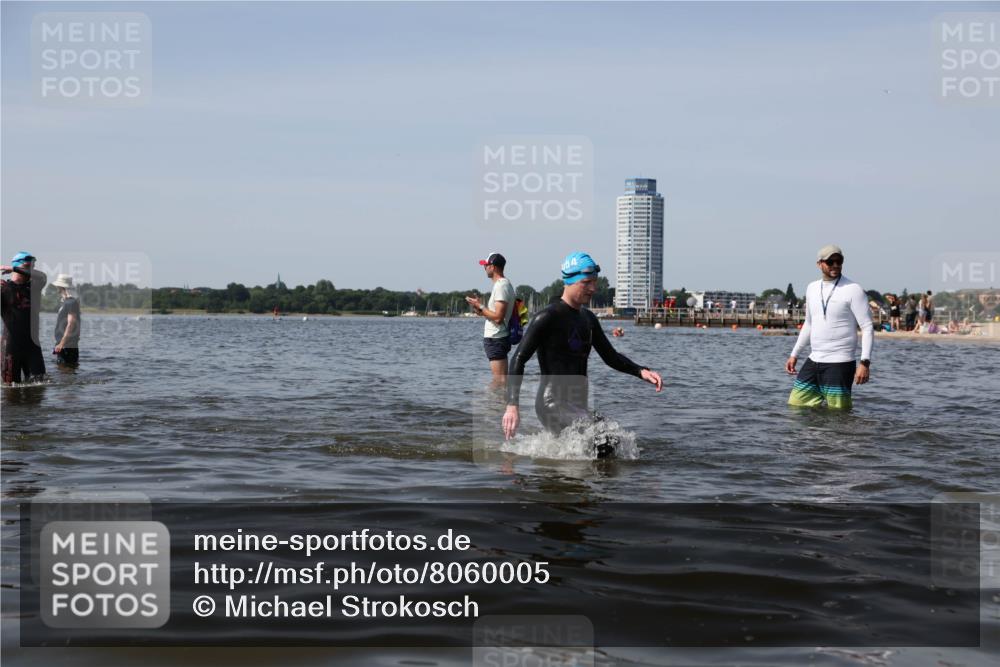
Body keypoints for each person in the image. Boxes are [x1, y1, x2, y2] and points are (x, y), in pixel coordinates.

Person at [502, 252, 662, 458]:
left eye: (594, 282)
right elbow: (519, 358)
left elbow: (610, 356)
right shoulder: (547, 317)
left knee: (613, 440)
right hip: (552, 403)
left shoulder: (588, 319)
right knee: (604, 441)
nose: (593, 288)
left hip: (578, 404)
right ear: (569, 281)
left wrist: (641, 371)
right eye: (586, 283)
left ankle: (559, 474)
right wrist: (512, 405)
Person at [785, 245, 873, 410]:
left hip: (840, 363)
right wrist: (794, 354)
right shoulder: (811, 288)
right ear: (819, 264)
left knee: (839, 415)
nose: (835, 265)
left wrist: (865, 363)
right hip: (814, 360)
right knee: (796, 407)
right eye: (830, 262)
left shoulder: (853, 289)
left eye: (839, 261)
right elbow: (809, 324)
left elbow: (867, 327)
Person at [465, 252, 514, 385]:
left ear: (493, 267)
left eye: (486, 265)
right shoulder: (502, 285)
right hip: (497, 337)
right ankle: (498, 398)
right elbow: (494, 315)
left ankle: (493, 399)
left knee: (499, 381)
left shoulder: (501, 285)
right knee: (501, 380)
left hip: (496, 338)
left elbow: (498, 317)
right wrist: (479, 309)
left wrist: (480, 306)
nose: (484, 268)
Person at [1, 252, 48, 384]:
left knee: (39, 386)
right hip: (10, 347)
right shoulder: (3, 289)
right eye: (27, 266)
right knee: (11, 390)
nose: (30, 270)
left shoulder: (35, 286)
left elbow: (42, 276)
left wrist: (12, 268)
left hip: (33, 347)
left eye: (32, 267)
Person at [51, 274, 81, 366]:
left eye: (58, 287)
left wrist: (61, 344)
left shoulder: (71, 302)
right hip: (65, 345)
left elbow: (71, 324)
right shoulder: (67, 302)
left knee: (66, 371)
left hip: (67, 346)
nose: (57, 289)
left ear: (61, 287)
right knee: (64, 371)